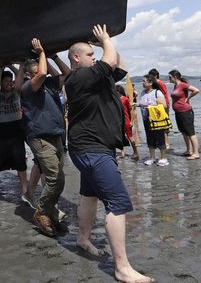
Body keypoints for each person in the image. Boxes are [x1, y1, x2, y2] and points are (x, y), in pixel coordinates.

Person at [65, 24, 152, 283]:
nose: (95, 58)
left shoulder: (96, 78)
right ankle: (122, 268)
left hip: (90, 148)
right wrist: (104, 41)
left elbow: (119, 65)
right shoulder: (79, 77)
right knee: (118, 204)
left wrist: (110, 40)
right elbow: (110, 58)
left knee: (89, 195)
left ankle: (82, 239)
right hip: (93, 149)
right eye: (91, 55)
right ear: (77, 59)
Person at [21, 38, 69, 235]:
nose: (41, 75)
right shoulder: (27, 88)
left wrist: (54, 56)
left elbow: (67, 74)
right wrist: (41, 52)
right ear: (27, 75)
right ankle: (42, 212)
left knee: (60, 180)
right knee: (53, 177)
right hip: (39, 137)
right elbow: (41, 72)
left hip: (57, 135)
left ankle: (50, 212)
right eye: (35, 74)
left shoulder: (50, 84)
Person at [0, 64, 29, 201]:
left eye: (10, 81)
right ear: (1, 83)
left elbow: (20, 79)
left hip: (16, 130)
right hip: (0, 132)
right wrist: (0, 68)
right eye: (6, 81)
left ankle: (24, 189)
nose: (9, 84)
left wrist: (14, 65)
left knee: (21, 162)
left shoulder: (17, 92)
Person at [168, 70, 200, 160]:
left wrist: (188, 97)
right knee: (183, 132)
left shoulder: (182, 84)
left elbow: (196, 90)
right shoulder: (176, 86)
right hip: (178, 112)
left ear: (175, 77)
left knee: (190, 133)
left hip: (186, 111)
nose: (169, 79)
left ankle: (196, 153)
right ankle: (189, 151)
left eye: (170, 77)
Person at [138, 75, 169, 166]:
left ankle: (163, 158)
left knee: (160, 138)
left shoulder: (157, 92)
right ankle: (152, 157)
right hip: (146, 119)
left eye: (144, 81)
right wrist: (137, 104)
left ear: (150, 83)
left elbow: (164, 105)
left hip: (156, 119)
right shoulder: (143, 92)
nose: (143, 83)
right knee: (149, 138)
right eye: (142, 81)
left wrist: (149, 107)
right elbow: (142, 104)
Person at [114, 84, 139, 161]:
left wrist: (131, 121)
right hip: (117, 121)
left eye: (115, 91)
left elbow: (130, 111)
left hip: (126, 121)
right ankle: (122, 153)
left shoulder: (125, 99)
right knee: (120, 137)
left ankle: (135, 152)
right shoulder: (114, 99)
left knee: (130, 137)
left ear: (119, 91)